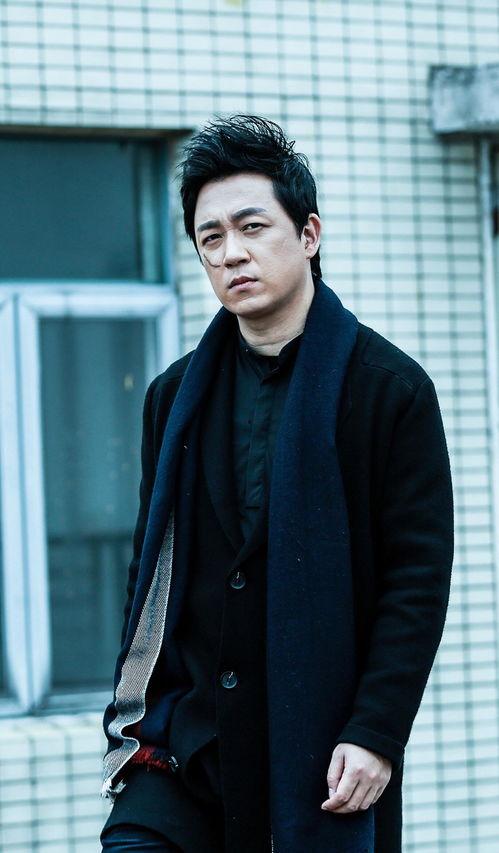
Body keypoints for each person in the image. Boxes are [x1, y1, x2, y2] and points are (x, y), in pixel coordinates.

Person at [99, 114, 454, 853]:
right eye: (210, 238)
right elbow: (150, 568)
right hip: (183, 749)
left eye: (252, 227)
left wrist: (376, 730)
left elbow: (416, 582)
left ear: (308, 234)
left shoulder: (388, 391)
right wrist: (138, 719)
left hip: (317, 750)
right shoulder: (174, 397)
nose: (231, 252)